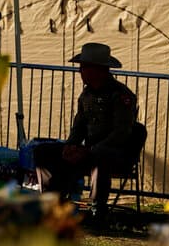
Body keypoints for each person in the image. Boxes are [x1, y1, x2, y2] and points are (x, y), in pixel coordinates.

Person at [33, 42, 140, 222]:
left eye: (83, 67)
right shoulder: (86, 95)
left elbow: (121, 133)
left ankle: (97, 209)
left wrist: (89, 151)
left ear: (98, 70)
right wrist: (70, 146)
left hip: (114, 153)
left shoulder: (121, 95)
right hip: (89, 152)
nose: (80, 71)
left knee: (102, 156)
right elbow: (79, 126)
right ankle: (52, 200)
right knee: (42, 151)